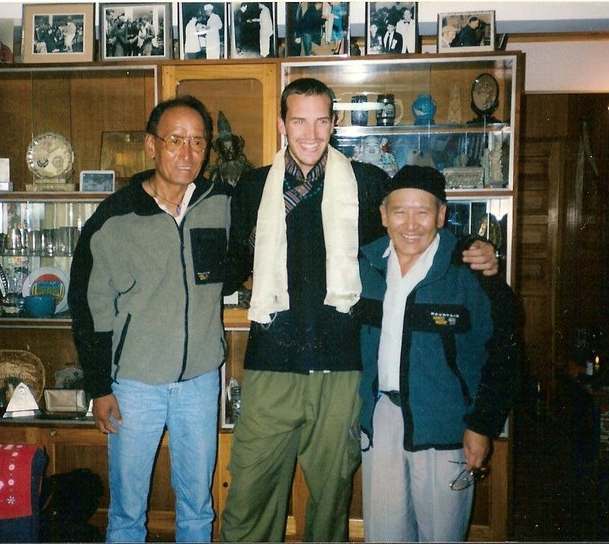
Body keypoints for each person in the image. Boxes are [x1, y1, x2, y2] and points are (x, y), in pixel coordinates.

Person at [219, 77, 499, 542]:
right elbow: (231, 264)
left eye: (322, 121)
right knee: (248, 498)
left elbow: (416, 223)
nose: (310, 134)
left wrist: (473, 247)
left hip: (343, 370)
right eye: (299, 121)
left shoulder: (367, 184)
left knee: (329, 506)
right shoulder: (252, 188)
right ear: (282, 124)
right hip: (271, 365)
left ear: (335, 123)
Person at [68, 95, 231, 543]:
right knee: (126, 511)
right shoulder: (114, 218)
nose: (187, 153)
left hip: (199, 381)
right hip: (134, 385)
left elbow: (236, 263)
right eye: (175, 140)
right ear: (151, 146)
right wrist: (99, 386)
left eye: (198, 142)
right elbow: (89, 309)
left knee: (198, 506)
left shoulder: (221, 204)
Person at [356, 165, 520, 542]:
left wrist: (482, 425)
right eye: (399, 211)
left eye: (423, 212)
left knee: (441, 536)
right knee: (383, 535)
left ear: (442, 215)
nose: (410, 224)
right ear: (383, 215)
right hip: (381, 421)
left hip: (447, 427)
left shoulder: (471, 272)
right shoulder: (365, 267)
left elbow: (505, 354)